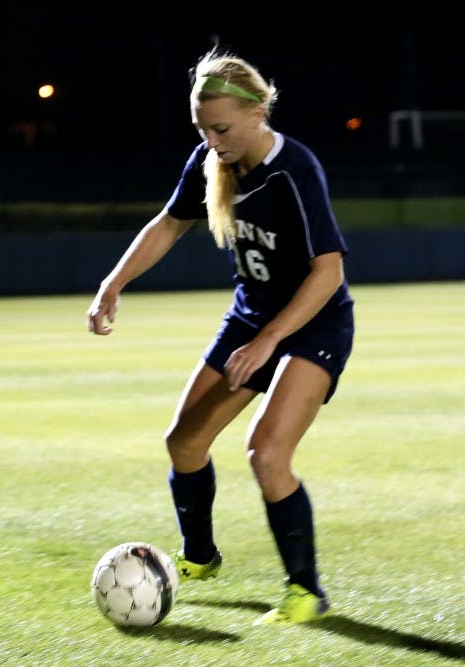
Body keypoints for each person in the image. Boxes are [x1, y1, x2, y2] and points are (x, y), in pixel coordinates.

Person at [86, 48, 353, 624]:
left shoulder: (294, 169)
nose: (211, 140)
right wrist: (114, 282)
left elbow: (328, 271)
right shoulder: (212, 160)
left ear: (257, 113)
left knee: (267, 452)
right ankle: (200, 558)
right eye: (202, 129)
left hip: (313, 323)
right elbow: (169, 223)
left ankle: (306, 591)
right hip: (251, 320)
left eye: (222, 129)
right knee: (184, 443)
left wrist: (269, 341)